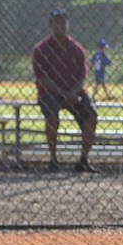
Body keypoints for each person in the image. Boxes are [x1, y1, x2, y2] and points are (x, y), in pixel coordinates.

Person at [31, 9, 98, 172]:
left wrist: (73, 92)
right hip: (50, 92)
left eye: (62, 22)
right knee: (51, 116)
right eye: (56, 22)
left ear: (68, 25)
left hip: (73, 92)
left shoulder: (76, 49)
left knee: (92, 115)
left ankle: (83, 159)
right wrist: (63, 93)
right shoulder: (41, 49)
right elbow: (42, 79)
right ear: (50, 25)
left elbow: (82, 76)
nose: (59, 26)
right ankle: (53, 160)